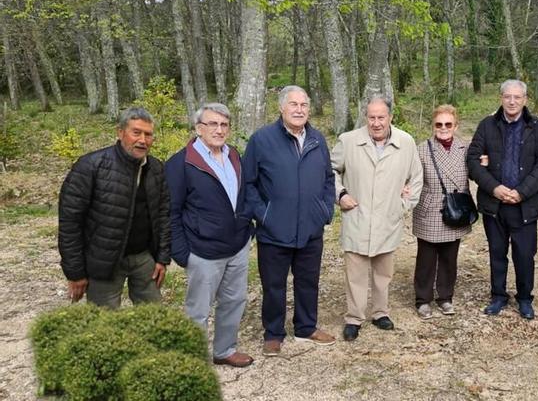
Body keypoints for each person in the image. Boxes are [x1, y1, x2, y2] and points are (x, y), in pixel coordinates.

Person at [243, 86, 337, 355]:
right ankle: (273, 333)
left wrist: (323, 210)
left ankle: (306, 326)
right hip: (274, 230)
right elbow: (249, 183)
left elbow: (328, 179)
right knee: (273, 285)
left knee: (308, 281)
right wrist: (264, 215)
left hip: (310, 228)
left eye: (304, 105)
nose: (299, 110)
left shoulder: (317, 139)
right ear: (281, 108)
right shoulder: (262, 140)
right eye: (293, 104)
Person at [166, 103, 254, 368]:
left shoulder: (234, 155)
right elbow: (171, 211)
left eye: (224, 125)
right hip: (202, 250)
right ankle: (195, 359)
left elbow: (244, 194)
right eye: (212, 124)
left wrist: (248, 228)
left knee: (234, 301)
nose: (219, 130)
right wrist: (182, 253)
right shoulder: (181, 162)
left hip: (237, 245)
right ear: (198, 128)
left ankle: (225, 350)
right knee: (198, 310)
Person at [58, 107, 170, 309]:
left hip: (144, 259)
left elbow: (163, 214)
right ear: (120, 132)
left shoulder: (156, 168)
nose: (143, 140)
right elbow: (70, 223)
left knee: (154, 317)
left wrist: (162, 258)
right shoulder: (91, 166)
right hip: (103, 261)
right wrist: (75, 272)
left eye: (148, 134)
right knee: (104, 325)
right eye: (136, 132)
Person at [332, 96, 423, 341]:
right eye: (371, 117)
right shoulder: (348, 141)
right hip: (357, 216)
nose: (376, 123)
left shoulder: (406, 142)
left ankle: (381, 312)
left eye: (381, 117)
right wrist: (340, 194)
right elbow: (329, 171)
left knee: (384, 272)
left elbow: (416, 178)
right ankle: (354, 317)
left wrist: (402, 205)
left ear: (390, 117)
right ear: (366, 118)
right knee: (356, 271)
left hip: (388, 218)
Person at [467, 79, 538, 320]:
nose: (512, 101)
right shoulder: (487, 125)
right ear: (501, 98)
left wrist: (521, 192)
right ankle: (498, 296)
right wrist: (494, 188)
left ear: (525, 99)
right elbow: (472, 160)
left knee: (524, 254)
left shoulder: (537, 127)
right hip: (494, 203)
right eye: (507, 97)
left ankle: (524, 298)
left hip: (525, 205)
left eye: (517, 97)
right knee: (496, 252)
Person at [412, 105, 473, 319]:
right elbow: (410, 175)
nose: (444, 128)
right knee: (426, 258)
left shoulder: (465, 148)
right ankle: (423, 299)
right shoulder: (421, 149)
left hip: (455, 209)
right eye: (439, 124)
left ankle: (445, 297)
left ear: (456, 126)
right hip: (430, 209)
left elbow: (475, 172)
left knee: (450, 256)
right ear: (433, 126)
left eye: (448, 124)